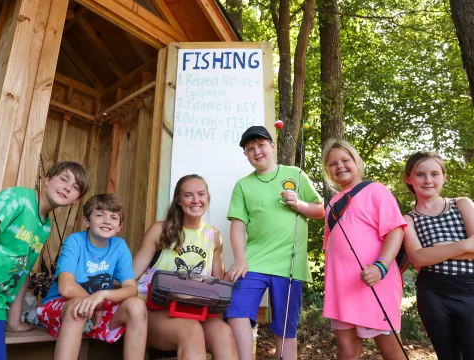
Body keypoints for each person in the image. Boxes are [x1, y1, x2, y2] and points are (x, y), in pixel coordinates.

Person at [0, 161, 90, 360]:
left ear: (76, 200)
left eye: (75, 187)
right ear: (48, 179)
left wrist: (14, 321)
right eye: (63, 179)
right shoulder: (17, 198)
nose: (68, 187)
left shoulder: (45, 227)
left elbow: (22, 270)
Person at [224, 125, 325, 360]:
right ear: (246, 155)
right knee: (237, 310)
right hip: (254, 262)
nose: (257, 152)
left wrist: (298, 204)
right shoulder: (243, 185)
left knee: (286, 327)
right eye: (250, 149)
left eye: (261, 145)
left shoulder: (296, 174)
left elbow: (320, 210)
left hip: (290, 265)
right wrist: (240, 259)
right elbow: (237, 226)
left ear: (272, 146)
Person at [133, 174, 238, 360]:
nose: (196, 200)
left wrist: (234, 272)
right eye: (188, 195)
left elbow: (217, 283)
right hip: (155, 310)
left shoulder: (214, 236)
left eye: (201, 194)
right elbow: (131, 274)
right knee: (191, 330)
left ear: (207, 198)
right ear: (179, 201)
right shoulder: (161, 230)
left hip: (194, 310)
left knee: (223, 331)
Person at [321, 139, 407, 360]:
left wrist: (381, 267)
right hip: (342, 288)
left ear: (356, 162)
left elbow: (395, 230)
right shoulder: (331, 205)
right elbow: (331, 249)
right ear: (327, 170)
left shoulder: (375, 190)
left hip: (375, 281)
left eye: (345, 160)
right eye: (332, 163)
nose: (339, 166)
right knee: (347, 350)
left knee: (390, 349)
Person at [37, 194, 147, 360]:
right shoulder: (75, 241)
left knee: (137, 305)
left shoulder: (119, 246)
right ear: (86, 221)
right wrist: (96, 305)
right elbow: (66, 288)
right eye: (100, 215)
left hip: (98, 309)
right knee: (78, 307)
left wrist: (102, 296)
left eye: (113, 217)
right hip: (61, 307)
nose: (107, 221)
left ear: (119, 226)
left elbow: (131, 289)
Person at [402, 151, 474, 360]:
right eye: (420, 174)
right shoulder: (408, 220)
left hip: (470, 289)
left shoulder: (462, 204)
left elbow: (426, 255)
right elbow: (418, 258)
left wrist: (438, 249)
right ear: (409, 178)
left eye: (435, 174)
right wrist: (464, 246)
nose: (428, 180)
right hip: (433, 292)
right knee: (447, 355)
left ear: (444, 177)